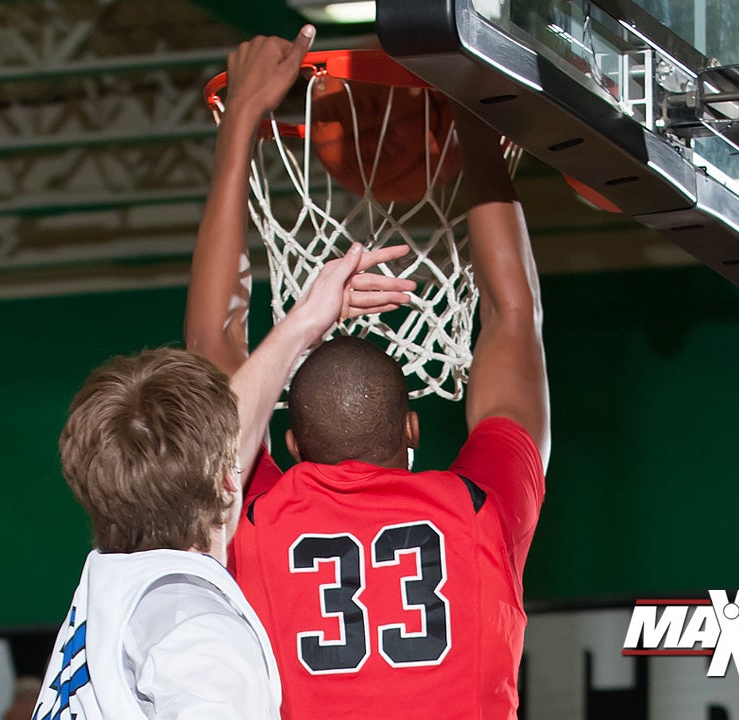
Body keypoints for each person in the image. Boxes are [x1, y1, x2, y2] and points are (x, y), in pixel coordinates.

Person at [185, 28, 549, 720]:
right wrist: (473, 115)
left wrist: (238, 127)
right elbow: (512, 316)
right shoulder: (479, 516)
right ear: (411, 428)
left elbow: (213, 341)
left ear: (289, 448)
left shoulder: (255, 521)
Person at [31, 95, 417, 720]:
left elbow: (216, 446)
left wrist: (301, 326)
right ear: (223, 479)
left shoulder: (115, 580)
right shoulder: (199, 639)